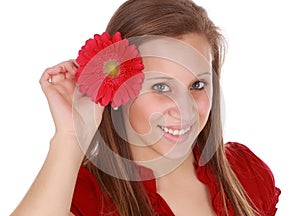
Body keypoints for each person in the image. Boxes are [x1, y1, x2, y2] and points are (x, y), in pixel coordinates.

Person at [11, 0, 280, 215]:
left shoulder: (245, 173)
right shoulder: (84, 196)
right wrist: (71, 134)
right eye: (161, 87)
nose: (185, 110)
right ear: (118, 88)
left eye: (198, 85)